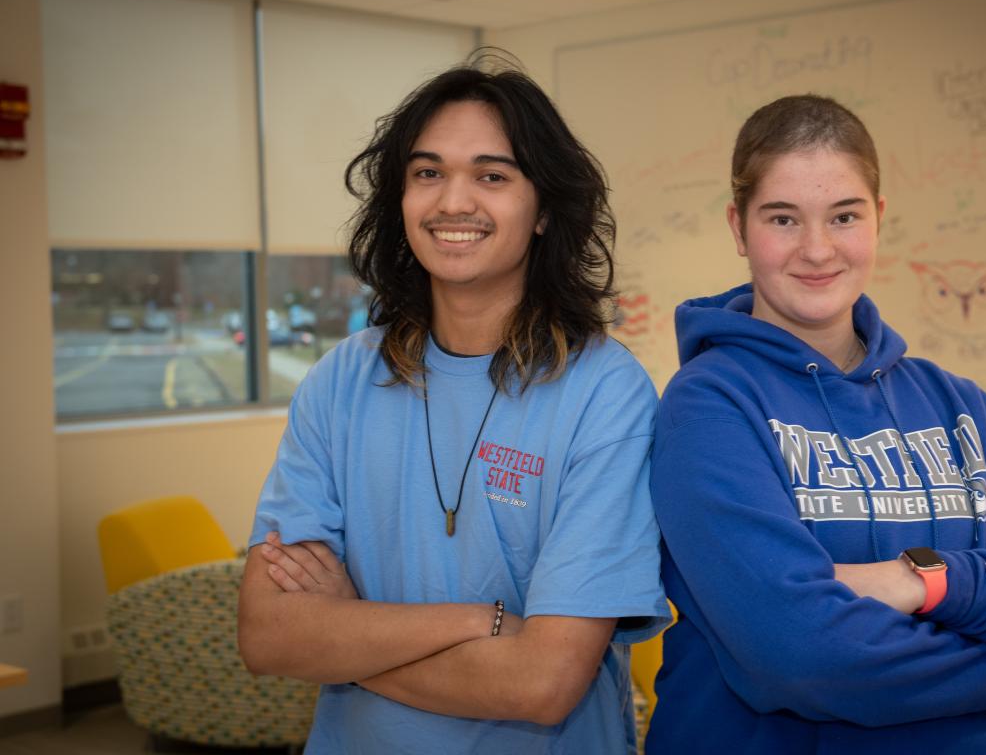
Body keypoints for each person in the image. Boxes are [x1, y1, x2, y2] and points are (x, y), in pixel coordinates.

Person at [646, 95, 986, 754]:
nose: (817, 250)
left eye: (843, 216)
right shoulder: (708, 406)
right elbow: (800, 655)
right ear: (739, 228)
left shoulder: (955, 403)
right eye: (783, 218)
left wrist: (924, 579)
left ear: (878, 218)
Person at [237, 55, 670, 754]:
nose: (451, 203)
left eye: (492, 176)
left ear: (543, 212)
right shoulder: (340, 382)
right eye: (427, 172)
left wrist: (350, 631)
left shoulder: (605, 393)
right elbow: (268, 635)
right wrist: (485, 623)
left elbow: (543, 683)